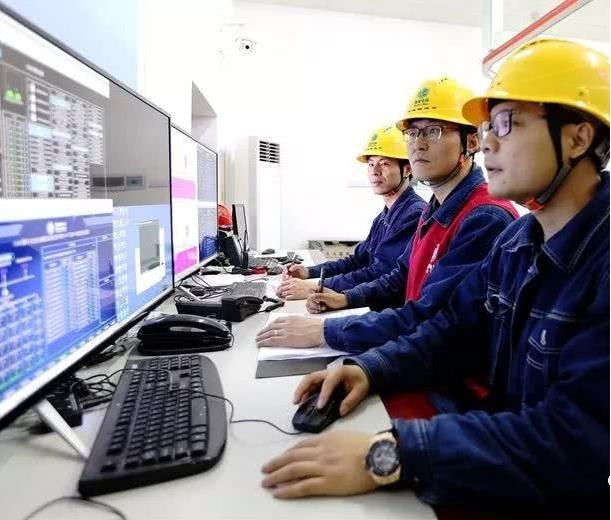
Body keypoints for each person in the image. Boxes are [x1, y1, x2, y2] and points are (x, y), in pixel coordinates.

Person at [261, 38, 610, 511]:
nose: (487, 142)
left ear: (577, 139)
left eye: (506, 123)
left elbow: (573, 440)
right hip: (497, 452)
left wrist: (391, 453)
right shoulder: (517, 241)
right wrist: (369, 368)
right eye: (486, 127)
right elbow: (451, 329)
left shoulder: (584, 256)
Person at [257, 78, 517, 354]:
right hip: (415, 351)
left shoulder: (484, 217)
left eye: (433, 131)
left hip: (443, 369)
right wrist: (346, 298)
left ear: (472, 141)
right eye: (412, 133)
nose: (419, 144)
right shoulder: (434, 209)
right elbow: (400, 276)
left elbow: (435, 319)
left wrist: (327, 330)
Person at [276, 126, 425, 300]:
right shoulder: (384, 217)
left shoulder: (413, 215)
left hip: (386, 306)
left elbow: (379, 273)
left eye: (384, 163)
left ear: (407, 170)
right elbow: (357, 261)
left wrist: (316, 287)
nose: (374, 171)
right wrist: (309, 272)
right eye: (371, 164)